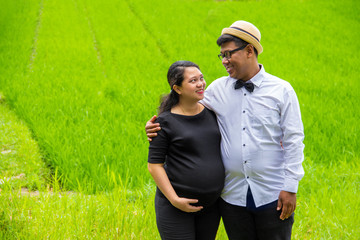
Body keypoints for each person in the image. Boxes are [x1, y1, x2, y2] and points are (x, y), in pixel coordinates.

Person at [146, 21, 305, 240]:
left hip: (272, 194)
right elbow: (185, 108)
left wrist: (290, 187)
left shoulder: (282, 91)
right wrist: (158, 124)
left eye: (229, 54)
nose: (224, 61)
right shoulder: (217, 89)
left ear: (250, 50)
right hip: (232, 197)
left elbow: (294, 140)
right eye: (221, 55)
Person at [147, 60, 225, 240]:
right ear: (177, 89)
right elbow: (154, 165)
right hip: (175, 208)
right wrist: (175, 200)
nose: (201, 84)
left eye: (201, 78)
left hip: (210, 206)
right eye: (193, 81)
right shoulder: (164, 122)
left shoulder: (213, 112)